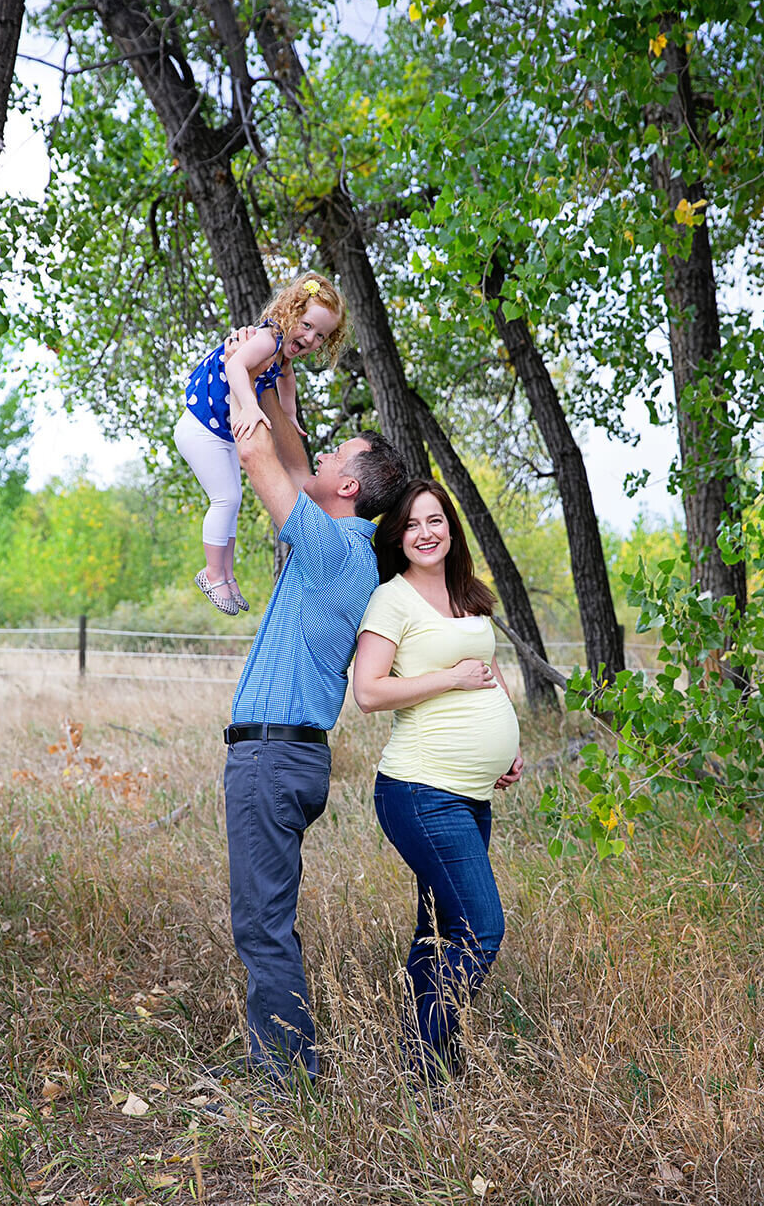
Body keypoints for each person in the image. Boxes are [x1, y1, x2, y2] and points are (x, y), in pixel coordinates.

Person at [221, 370, 409, 1087]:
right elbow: (295, 461)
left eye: (337, 457)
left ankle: (284, 1078)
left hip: (271, 758)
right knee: (267, 915)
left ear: (351, 489)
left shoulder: (335, 552)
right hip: (282, 757)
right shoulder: (341, 543)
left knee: (260, 925)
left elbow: (258, 459)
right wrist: (280, 391)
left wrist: (238, 373)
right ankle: (288, 1060)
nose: (322, 460)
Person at [352, 478, 523, 1086]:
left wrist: (511, 746)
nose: (426, 534)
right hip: (420, 791)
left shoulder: (468, 594)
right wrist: (449, 679)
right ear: (397, 537)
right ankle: (425, 1070)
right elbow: (368, 692)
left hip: (472, 794)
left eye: (436, 521)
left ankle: (431, 1066)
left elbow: (491, 669)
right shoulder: (391, 601)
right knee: (481, 929)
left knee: (440, 931)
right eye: (412, 525)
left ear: (451, 528)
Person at [174, 271, 347, 615]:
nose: (311, 338)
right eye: (308, 325)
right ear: (292, 313)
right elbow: (236, 363)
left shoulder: (283, 355)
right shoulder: (268, 338)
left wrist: (289, 415)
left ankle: (225, 574)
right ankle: (211, 572)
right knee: (225, 498)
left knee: (232, 501)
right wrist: (251, 405)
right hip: (198, 426)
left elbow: (287, 380)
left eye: (321, 336)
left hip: (217, 432)